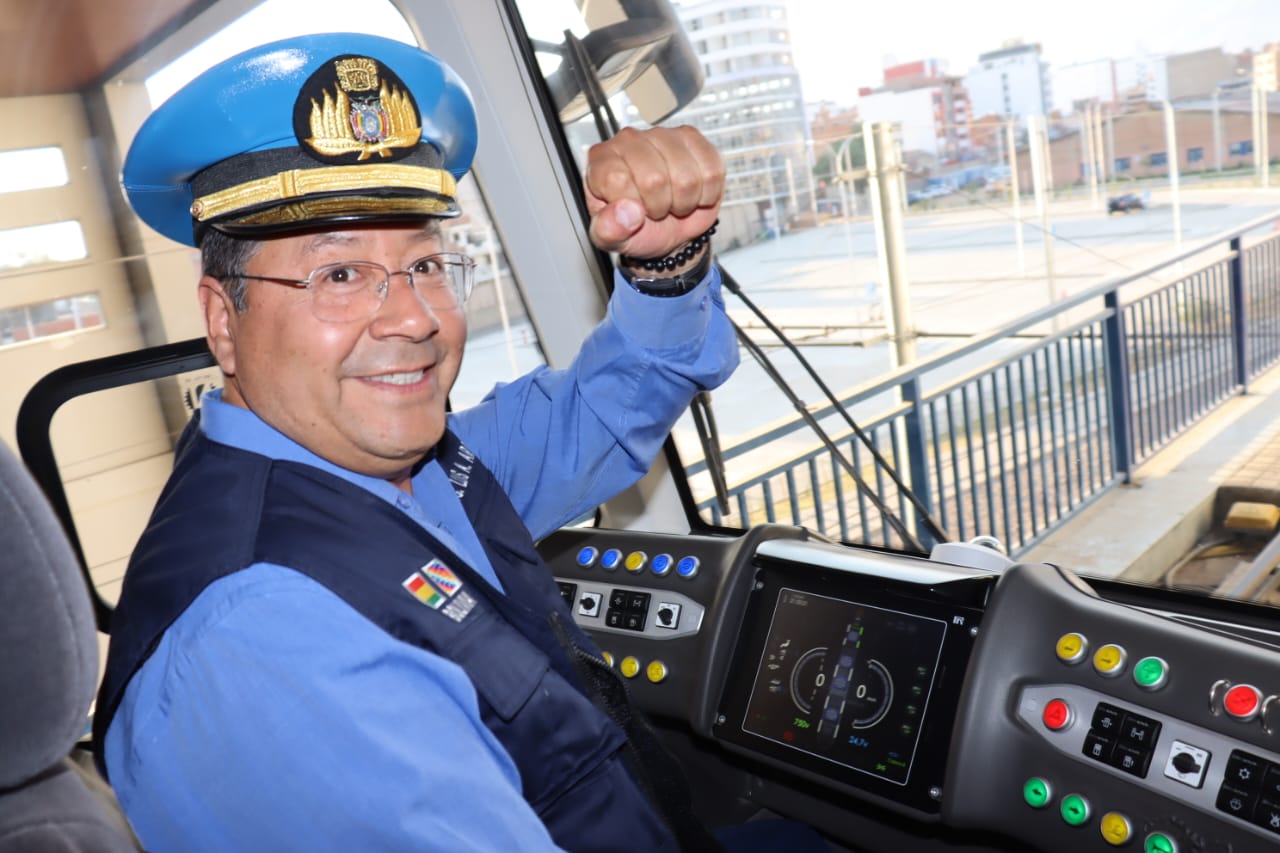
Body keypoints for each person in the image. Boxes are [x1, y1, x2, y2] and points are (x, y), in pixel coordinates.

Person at [92, 31, 823, 853]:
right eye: (340, 275)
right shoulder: (263, 635)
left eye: (428, 264)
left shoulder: (396, 465)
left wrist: (669, 264)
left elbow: (604, 408)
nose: (415, 318)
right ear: (225, 322)